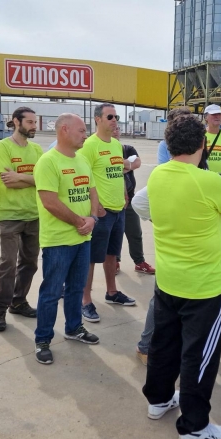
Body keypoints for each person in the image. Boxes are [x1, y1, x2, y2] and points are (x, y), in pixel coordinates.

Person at [143, 114, 221, 439]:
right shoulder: (210, 180)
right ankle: (195, 426)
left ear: (168, 144)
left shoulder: (157, 175)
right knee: (199, 355)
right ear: (202, 144)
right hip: (203, 286)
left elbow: (142, 205)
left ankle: (158, 400)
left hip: (168, 278)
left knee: (164, 344)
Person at [33, 114, 100, 365]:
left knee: (76, 288)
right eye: (82, 131)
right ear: (64, 130)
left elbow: (92, 192)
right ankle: (42, 339)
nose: (85, 135)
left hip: (83, 238)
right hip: (59, 241)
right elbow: (49, 201)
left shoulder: (82, 160)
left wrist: (92, 217)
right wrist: (79, 222)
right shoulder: (48, 162)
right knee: (51, 291)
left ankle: (74, 328)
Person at [135, 106, 199, 366]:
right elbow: (142, 201)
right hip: (177, 233)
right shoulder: (167, 157)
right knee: (164, 295)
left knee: (176, 295)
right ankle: (147, 345)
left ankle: (171, 344)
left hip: (194, 231)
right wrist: (160, 219)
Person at [79, 103, 135, 324]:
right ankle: (85, 301)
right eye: (109, 116)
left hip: (118, 209)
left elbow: (118, 172)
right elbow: (84, 179)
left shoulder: (115, 145)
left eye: (116, 116)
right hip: (101, 212)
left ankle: (112, 292)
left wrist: (124, 195)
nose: (114, 120)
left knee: (113, 254)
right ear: (97, 119)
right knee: (92, 257)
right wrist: (96, 207)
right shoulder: (89, 146)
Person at [0, 107, 43, 332]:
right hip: (10, 215)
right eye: (29, 122)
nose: (34, 126)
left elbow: (44, 180)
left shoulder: (38, 150)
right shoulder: (2, 147)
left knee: (29, 263)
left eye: (35, 122)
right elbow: (7, 181)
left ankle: (18, 301)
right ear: (15, 122)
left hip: (34, 214)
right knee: (8, 265)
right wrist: (32, 179)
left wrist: (21, 176)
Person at [113, 127, 155, 275]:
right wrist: (125, 165)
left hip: (129, 198)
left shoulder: (127, 148)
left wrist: (120, 166)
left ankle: (139, 262)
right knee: (115, 235)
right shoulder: (102, 151)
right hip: (110, 200)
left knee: (135, 233)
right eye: (113, 128)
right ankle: (114, 261)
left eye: (118, 129)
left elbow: (136, 163)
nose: (116, 131)